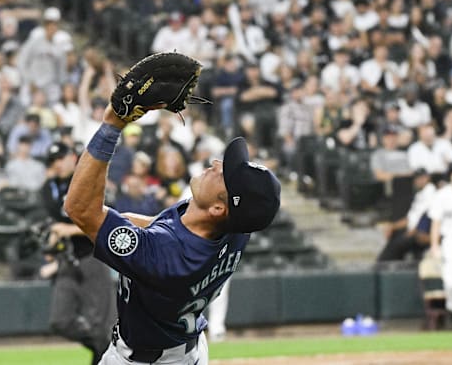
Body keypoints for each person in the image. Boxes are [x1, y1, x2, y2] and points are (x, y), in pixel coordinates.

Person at [64, 102, 280, 364]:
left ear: (217, 208)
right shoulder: (232, 226)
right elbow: (157, 227)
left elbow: (80, 208)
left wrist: (112, 126)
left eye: (225, 176)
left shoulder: (172, 256)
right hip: (182, 348)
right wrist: (113, 222)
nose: (216, 163)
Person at [41, 143, 116, 365]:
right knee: (60, 320)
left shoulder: (89, 181)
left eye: (60, 158)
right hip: (67, 260)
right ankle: (105, 345)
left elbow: (106, 220)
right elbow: (53, 223)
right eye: (53, 161)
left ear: (72, 157)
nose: (57, 164)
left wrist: (68, 229)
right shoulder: (49, 187)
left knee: (103, 323)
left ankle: (106, 350)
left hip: (93, 257)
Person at [429, 164, 452, 316]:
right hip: (451, 240)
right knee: (451, 281)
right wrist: (434, 245)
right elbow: (436, 222)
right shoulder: (442, 195)